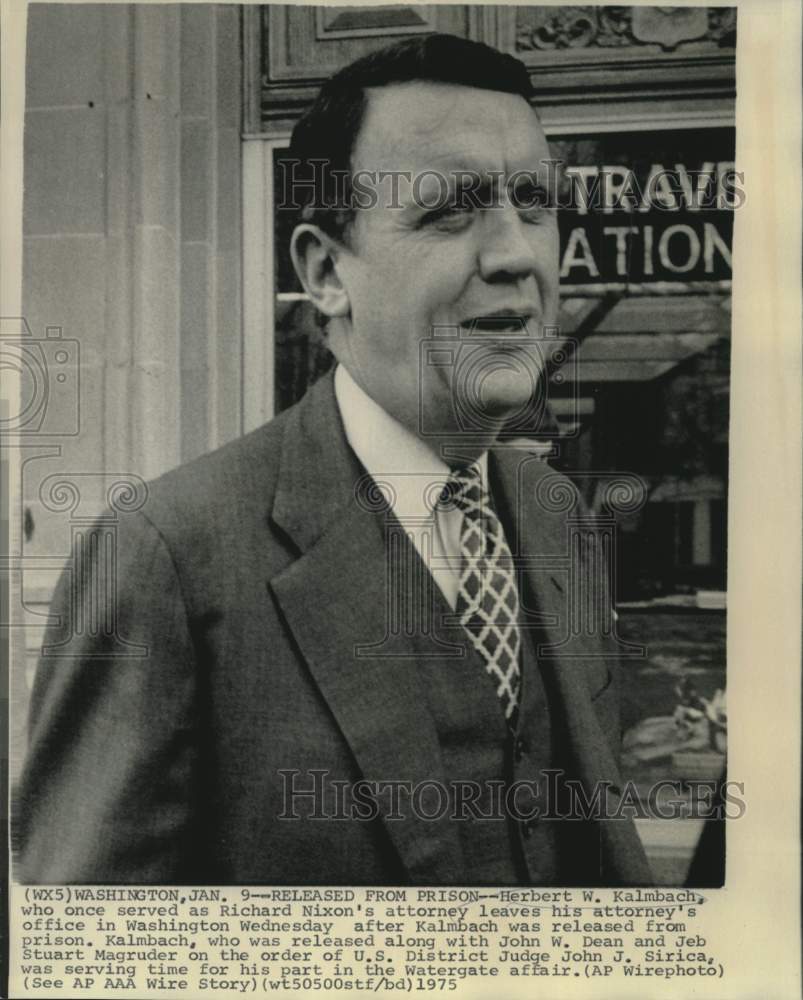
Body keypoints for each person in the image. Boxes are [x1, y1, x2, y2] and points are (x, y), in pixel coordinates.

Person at [14, 34, 652, 885]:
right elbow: (90, 944)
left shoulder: (556, 515)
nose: (514, 256)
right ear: (323, 273)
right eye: (449, 210)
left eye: (533, 203)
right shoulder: (164, 554)